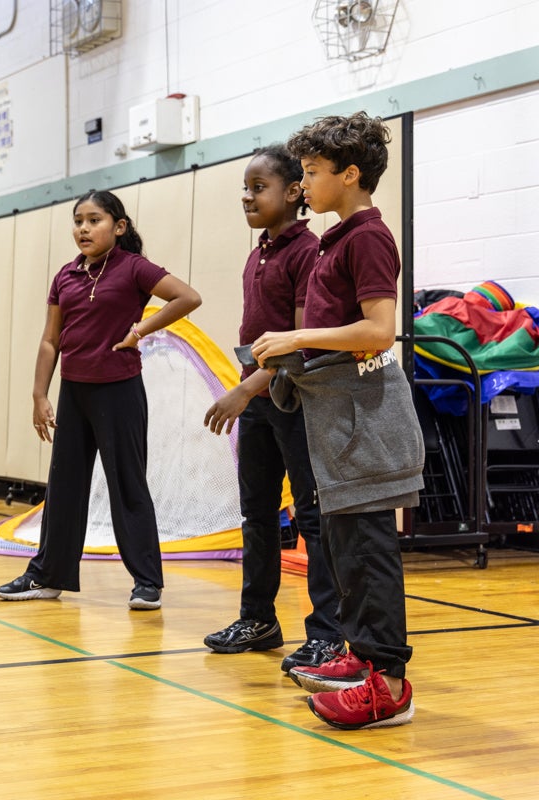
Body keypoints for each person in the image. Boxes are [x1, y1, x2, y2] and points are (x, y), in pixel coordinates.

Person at [251, 112, 425, 730]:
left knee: (369, 548)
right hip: (335, 416)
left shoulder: (368, 238)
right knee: (346, 547)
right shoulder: (336, 238)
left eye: (312, 174)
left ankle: (389, 686)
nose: (303, 186)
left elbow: (380, 330)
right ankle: (360, 658)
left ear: (350, 175)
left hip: (364, 417)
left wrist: (298, 334)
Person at [0, 189, 201, 609]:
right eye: (78, 221)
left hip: (119, 390)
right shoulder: (66, 276)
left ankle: (147, 582)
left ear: (118, 227)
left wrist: (141, 329)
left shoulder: (134, 268)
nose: (84, 229)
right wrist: (39, 394)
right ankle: (48, 576)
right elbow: (51, 340)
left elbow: (188, 297)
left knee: (127, 484)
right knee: (65, 485)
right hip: (74, 391)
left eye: (94, 220)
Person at [201, 146, 344, 673]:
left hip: (296, 402)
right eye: (245, 186)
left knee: (312, 518)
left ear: (292, 193)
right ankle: (258, 619)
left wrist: (244, 390)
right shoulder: (257, 251)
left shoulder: (308, 252)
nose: (247, 195)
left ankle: (328, 633)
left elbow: (301, 346)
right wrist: (247, 393)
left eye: (258, 186)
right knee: (256, 515)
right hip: (259, 404)